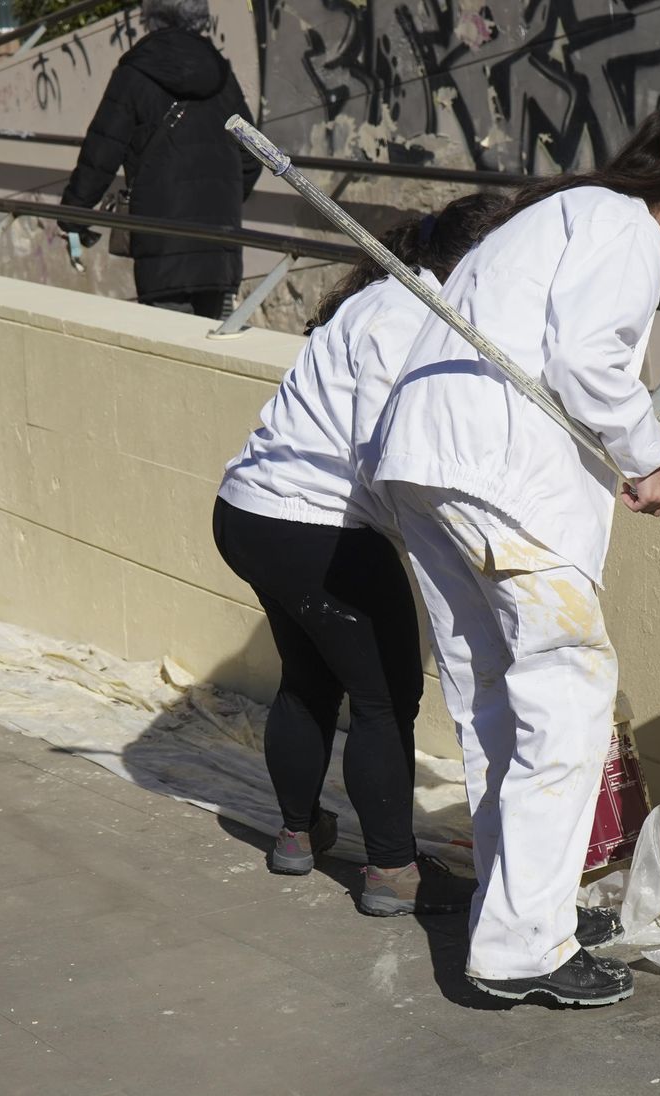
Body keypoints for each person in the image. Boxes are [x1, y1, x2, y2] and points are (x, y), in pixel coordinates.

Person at [371, 105, 660, 1003]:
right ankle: (526, 949)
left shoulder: (543, 221)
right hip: (503, 479)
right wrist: (648, 461)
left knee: (492, 703)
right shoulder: (628, 226)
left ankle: (521, 910)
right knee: (566, 698)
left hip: (425, 466)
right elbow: (592, 359)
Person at [213, 194, 503, 917]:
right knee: (383, 700)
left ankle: (296, 834)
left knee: (309, 678)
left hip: (250, 511)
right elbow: (389, 452)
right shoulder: (407, 321)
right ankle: (390, 871)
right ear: (473, 263)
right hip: (317, 527)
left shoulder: (383, 297)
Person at [57, 0, 261, 320]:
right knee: (215, 347)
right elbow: (253, 154)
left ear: (150, 16)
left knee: (169, 343)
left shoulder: (135, 72)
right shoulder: (220, 72)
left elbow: (102, 151)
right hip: (219, 242)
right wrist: (221, 196)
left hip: (160, 240)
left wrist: (73, 216)